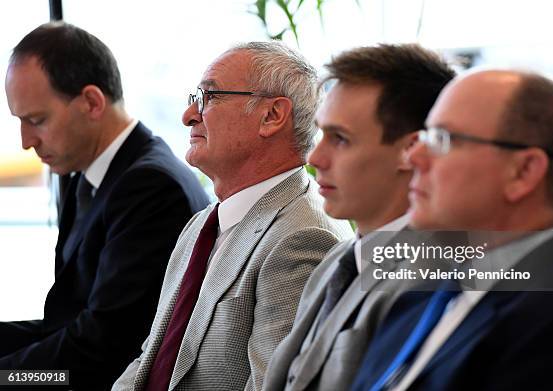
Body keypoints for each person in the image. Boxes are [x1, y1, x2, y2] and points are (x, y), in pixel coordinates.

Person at [112, 41, 352, 391]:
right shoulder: (202, 225)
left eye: (210, 97)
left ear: (271, 116)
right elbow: (152, 357)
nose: (189, 114)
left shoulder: (303, 236)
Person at [352, 70, 553, 390]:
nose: (413, 156)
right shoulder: (425, 290)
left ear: (523, 172)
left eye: (442, 139)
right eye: (425, 136)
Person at [1, 22, 210, 390]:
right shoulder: (90, 171)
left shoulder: (150, 188)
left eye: (37, 120)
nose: (25, 141)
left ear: (92, 103)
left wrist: (8, 378)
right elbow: (65, 323)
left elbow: (101, 351)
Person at [262, 44, 455, 391]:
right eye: (321, 134)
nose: (315, 157)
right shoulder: (339, 258)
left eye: (340, 139)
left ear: (412, 151)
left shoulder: (436, 277)